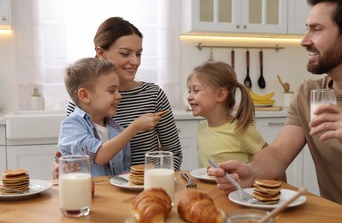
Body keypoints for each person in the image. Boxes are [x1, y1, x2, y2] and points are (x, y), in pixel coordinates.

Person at [208, 0, 342, 223]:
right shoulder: (309, 95)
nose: (304, 40)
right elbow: (278, 153)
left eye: (317, 29)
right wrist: (250, 172)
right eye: (307, 28)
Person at [52, 17, 182, 178]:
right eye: (125, 53)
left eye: (139, 54)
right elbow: (73, 150)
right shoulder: (81, 104)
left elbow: (174, 154)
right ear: (101, 53)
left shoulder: (154, 95)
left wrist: (157, 181)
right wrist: (61, 166)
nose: (135, 61)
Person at [59, 57, 161, 176]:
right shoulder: (71, 126)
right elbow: (99, 156)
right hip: (84, 193)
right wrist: (134, 127)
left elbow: (126, 168)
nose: (119, 96)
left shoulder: (118, 130)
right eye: (111, 91)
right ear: (85, 95)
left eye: (118, 90)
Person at [187, 61, 268, 167]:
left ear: (220, 95)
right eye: (189, 91)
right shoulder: (201, 128)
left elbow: (272, 162)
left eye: (196, 90)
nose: (189, 97)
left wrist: (282, 184)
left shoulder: (241, 129)